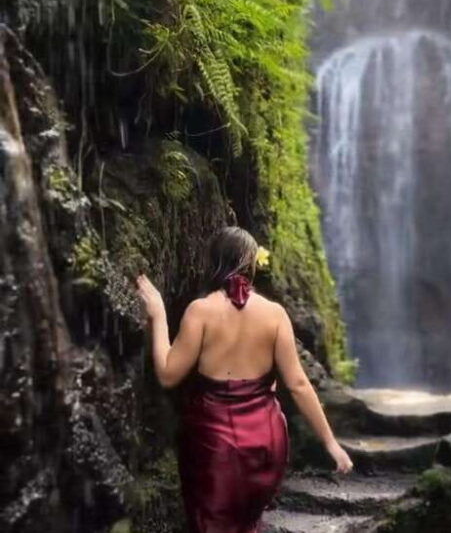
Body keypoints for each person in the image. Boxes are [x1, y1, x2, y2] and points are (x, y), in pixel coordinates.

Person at [136, 226, 353, 533]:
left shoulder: (201, 312)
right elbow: (298, 385)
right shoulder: (275, 314)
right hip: (265, 441)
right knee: (246, 524)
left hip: (215, 443)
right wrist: (331, 443)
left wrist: (158, 315)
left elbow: (168, 375)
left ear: (212, 261)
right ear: (251, 263)